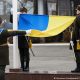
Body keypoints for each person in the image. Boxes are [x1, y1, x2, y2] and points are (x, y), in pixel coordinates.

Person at [18, 7, 30, 72]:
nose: (22, 13)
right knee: (21, 53)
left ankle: (27, 66)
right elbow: (12, 21)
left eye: (24, 12)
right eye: (21, 12)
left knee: (26, 53)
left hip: (26, 37)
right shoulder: (18, 19)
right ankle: (22, 66)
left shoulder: (28, 19)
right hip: (20, 37)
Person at [71, 5, 80, 73]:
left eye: (77, 10)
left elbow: (76, 29)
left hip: (78, 40)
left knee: (77, 53)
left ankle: (78, 68)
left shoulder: (78, 17)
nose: (76, 11)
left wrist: (77, 39)